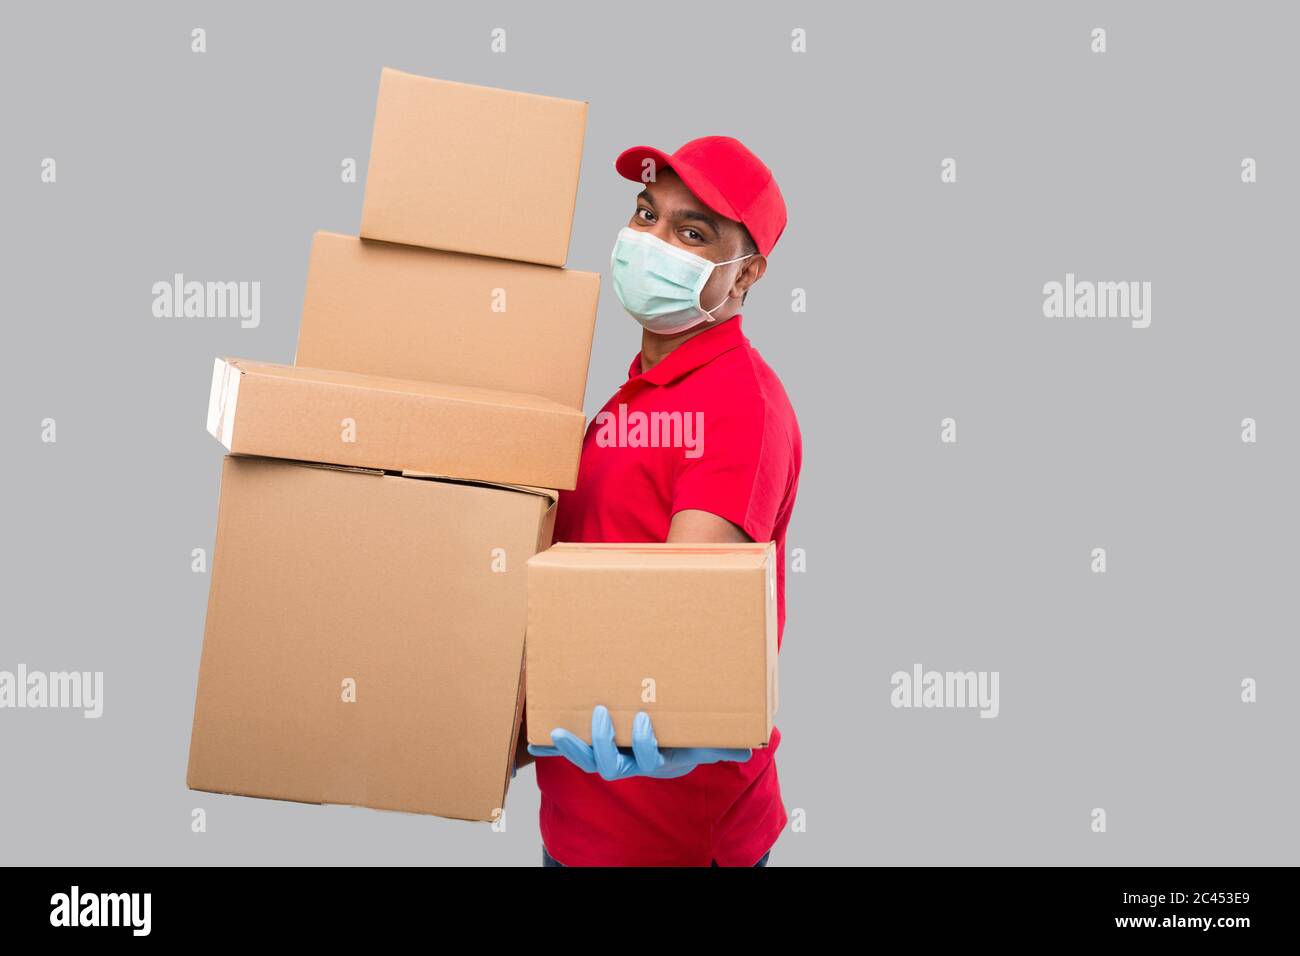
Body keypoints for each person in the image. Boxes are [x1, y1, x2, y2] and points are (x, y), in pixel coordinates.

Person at [517, 136, 801, 867]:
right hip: (579, 820)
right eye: (647, 214)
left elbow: (685, 633)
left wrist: (679, 716)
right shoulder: (629, 397)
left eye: (692, 232)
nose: (652, 241)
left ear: (745, 277)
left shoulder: (737, 402)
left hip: (671, 840)